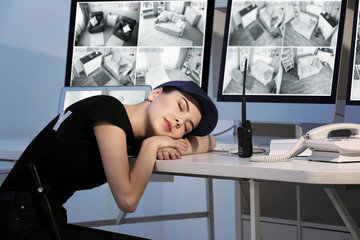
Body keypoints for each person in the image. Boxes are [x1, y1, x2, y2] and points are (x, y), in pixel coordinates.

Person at [0, 80, 218, 240]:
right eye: (181, 107)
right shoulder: (108, 110)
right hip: (17, 220)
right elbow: (127, 201)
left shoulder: (126, 136)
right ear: (155, 93)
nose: (180, 121)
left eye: (187, 127)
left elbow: (211, 141)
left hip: (40, 218)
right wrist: (152, 146)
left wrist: (166, 142)